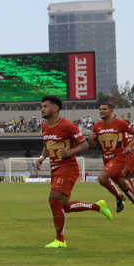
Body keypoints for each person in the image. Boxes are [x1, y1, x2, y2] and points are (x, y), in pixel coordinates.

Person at [35, 95, 112, 248]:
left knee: (54, 199)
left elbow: (84, 145)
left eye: (45, 106)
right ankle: (98, 206)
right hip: (55, 168)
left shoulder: (68, 126)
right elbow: (46, 144)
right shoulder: (44, 126)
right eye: (42, 106)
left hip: (68, 167)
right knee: (64, 206)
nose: (42, 109)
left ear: (55, 108)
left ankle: (60, 240)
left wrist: (70, 152)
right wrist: (42, 157)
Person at [88, 100, 134, 223]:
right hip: (107, 159)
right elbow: (93, 144)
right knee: (123, 185)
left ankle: (119, 197)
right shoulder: (96, 126)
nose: (101, 111)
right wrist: (90, 140)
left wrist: (129, 146)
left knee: (102, 179)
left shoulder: (120, 123)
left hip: (119, 158)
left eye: (104, 109)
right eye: (100, 109)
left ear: (111, 111)